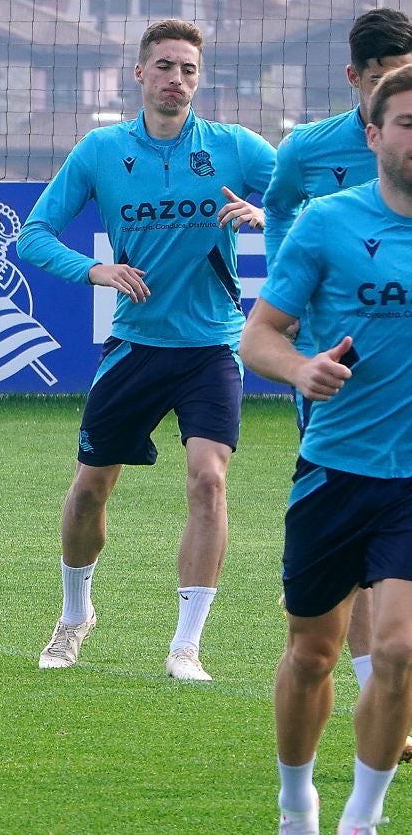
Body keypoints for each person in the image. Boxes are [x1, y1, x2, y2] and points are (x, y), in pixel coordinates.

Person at [18, 19, 276, 681]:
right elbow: (33, 235)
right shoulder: (102, 150)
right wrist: (93, 270)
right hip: (135, 346)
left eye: (188, 69)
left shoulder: (234, 147)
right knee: (89, 490)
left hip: (212, 347)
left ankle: (185, 646)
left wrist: (265, 215)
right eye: (164, 66)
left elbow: (311, 207)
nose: (175, 79)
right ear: (139, 73)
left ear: (199, 79)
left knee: (208, 479)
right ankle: (75, 614)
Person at [243, 61, 412, 835]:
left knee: (399, 649)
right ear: (372, 135)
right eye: (406, 124)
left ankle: (361, 820)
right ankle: (295, 802)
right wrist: (299, 369)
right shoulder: (326, 222)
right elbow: (259, 335)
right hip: (334, 471)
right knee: (312, 653)